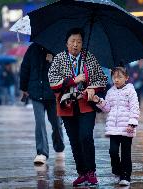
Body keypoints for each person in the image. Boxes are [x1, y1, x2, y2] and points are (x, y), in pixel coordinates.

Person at [48, 28, 107, 186]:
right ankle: (81, 173)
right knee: (74, 140)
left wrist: (91, 88)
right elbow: (53, 82)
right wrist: (74, 79)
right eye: (72, 41)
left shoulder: (89, 58)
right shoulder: (59, 58)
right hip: (67, 106)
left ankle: (91, 171)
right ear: (66, 43)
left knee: (85, 137)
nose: (76, 45)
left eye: (79, 42)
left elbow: (101, 79)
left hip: (86, 105)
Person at [92, 67, 140, 186]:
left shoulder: (130, 91)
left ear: (126, 78)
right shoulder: (110, 91)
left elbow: (135, 108)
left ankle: (125, 176)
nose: (116, 80)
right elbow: (107, 108)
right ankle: (117, 170)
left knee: (125, 153)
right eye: (114, 77)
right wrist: (99, 101)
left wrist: (132, 123)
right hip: (113, 128)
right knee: (113, 151)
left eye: (119, 77)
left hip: (126, 128)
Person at [20, 43, 65, 164]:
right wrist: (23, 87)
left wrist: (52, 61)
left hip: (53, 94)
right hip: (35, 92)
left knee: (56, 123)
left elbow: (64, 71)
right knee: (39, 122)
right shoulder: (32, 49)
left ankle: (59, 146)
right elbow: (25, 67)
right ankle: (41, 152)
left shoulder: (57, 49)